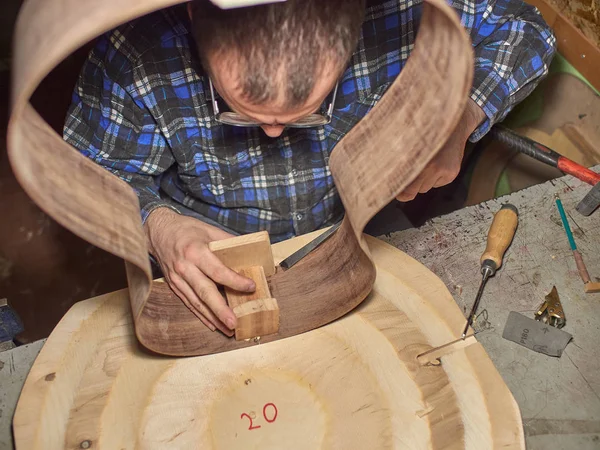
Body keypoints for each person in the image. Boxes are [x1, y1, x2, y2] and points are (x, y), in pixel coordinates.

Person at [63, 0, 556, 335]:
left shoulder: (402, 12)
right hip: (208, 252)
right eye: (239, 112)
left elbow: (525, 29)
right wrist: (158, 227)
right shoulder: (135, 57)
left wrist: (463, 112)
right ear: (193, 13)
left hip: (356, 225)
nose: (275, 133)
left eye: (308, 111)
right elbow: (88, 170)